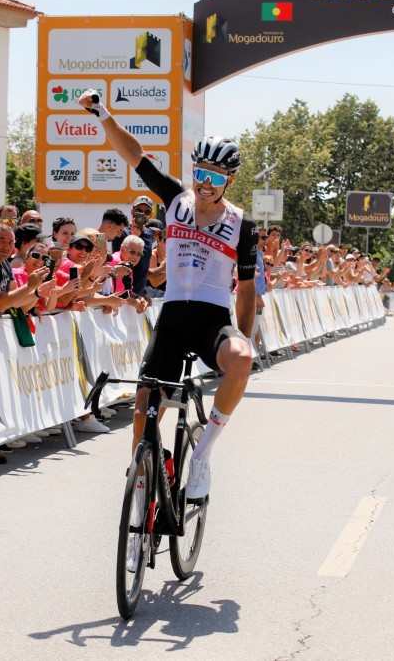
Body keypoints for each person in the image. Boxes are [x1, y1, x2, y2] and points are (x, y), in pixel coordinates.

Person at [80, 90, 258, 507]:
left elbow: (247, 291)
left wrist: (244, 340)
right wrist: (102, 113)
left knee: (243, 357)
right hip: (173, 317)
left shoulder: (242, 225)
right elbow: (135, 154)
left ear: (229, 181)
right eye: (201, 173)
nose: (205, 183)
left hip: (213, 317)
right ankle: (141, 490)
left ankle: (202, 455)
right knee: (143, 412)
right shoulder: (176, 198)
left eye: (215, 178)